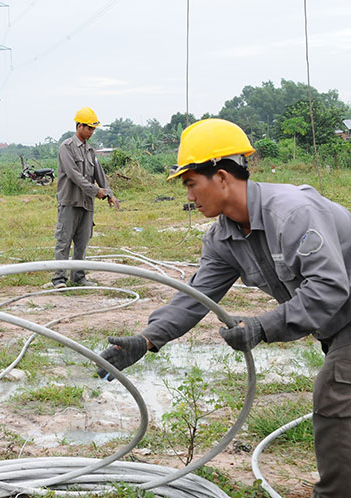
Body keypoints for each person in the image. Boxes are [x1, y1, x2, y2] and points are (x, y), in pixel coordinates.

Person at [97, 118, 351, 497]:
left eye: (190, 184)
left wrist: (263, 326)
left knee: (335, 394)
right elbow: (196, 297)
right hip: (336, 327)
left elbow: (329, 288)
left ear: (221, 177)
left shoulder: (292, 213)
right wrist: (147, 340)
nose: (190, 197)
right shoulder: (224, 237)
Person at [50, 107, 120, 289]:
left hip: (86, 204)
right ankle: (59, 279)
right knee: (64, 241)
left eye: (93, 129)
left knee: (82, 242)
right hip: (70, 201)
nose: (91, 132)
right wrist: (95, 191)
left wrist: (109, 194)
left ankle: (78, 277)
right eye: (89, 128)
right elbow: (74, 175)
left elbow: (100, 174)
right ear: (79, 126)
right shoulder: (66, 148)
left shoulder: (90, 151)